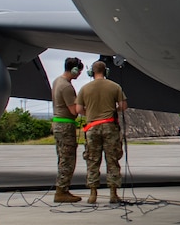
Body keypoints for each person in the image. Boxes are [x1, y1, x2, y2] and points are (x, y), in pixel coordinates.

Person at [77, 58, 128, 204]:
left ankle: (93, 194)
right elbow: (123, 105)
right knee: (112, 160)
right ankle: (113, 194)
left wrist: (92, 114)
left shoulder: (85, 88)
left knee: (92, 160)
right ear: (106, 72)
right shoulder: (114, 86)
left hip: (92, 127)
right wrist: (114, 109)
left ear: (91, 73)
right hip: (110, 126)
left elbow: (79, 109)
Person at [50, 56, 84, 204]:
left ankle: (62, 189)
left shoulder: (57, 81)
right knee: (68, 159)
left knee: (62, 157)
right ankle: (61, 191)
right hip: (65, 125)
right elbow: (73, 111)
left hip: (57, 123)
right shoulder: (67, 87)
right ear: (74, 70)